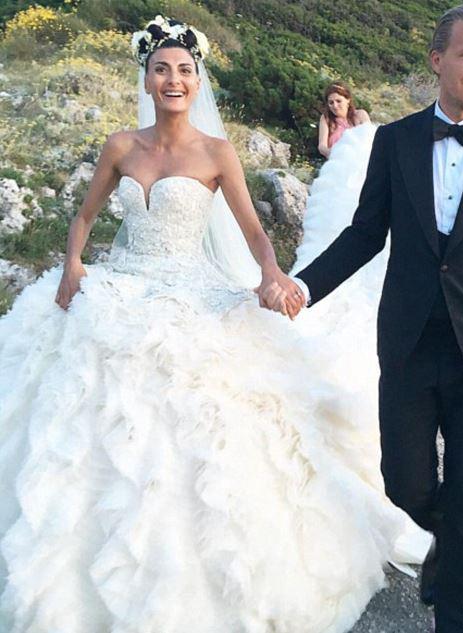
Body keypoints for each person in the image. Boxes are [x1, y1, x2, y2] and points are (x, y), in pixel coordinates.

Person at [0, 16, 430, 633]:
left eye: (184, 70)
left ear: (198, 82)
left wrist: (270, 274)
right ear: (145, 79)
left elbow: (254, 230)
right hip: (121, 281)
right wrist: (71, 264)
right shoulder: (120, 145)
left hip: (189, 285)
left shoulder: (217, 152)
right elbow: (86, 216)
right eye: (161, 70)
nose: (173, 80)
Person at [263, 4, 463, 632]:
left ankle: (452, 610)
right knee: (407, 487)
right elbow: (366, 233)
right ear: (437, 60)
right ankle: (441, 544)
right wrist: (303, 288)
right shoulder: (393, 141)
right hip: (409, 343)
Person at [317, 82, 371, 158]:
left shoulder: (361, 115)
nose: (335, 106)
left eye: (338, 101)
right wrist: (333, 154)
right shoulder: (326, 118)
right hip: (337, 162)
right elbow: (322, 146)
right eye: (331, 103)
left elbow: (370, 140)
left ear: (348, 99)